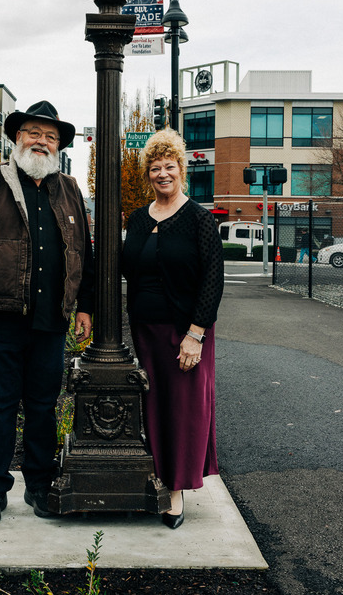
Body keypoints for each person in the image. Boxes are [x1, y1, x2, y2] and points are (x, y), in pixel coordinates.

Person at [0, 101, 93, 525]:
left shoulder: (69, 188)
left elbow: (84, 251)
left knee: (44, 407)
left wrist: (86, 307)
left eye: (50, 137)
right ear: (17, 137)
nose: (41, 142)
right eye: (33, 133)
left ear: (59, 145)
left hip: (50, 322)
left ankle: (40, 485)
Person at [121, 128, 224, 529]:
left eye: (169, 167)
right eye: (154, 168)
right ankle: (158, 477)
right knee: (153, 408)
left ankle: (175, 490)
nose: (162, 174)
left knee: (182, 411)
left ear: (181, 170)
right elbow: (124, 268)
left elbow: (212, 281)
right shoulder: (137, 218)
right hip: (145, 331)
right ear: (148, 174)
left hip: (185, 333)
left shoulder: (199, 220)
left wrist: (195, 334)